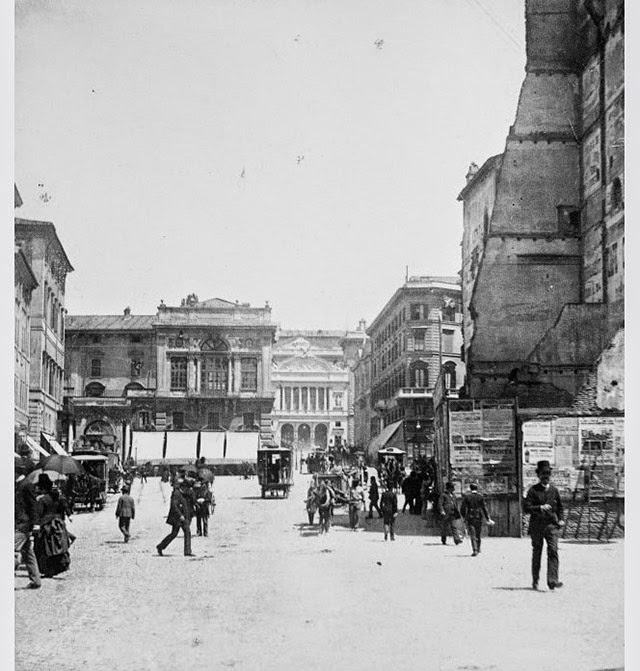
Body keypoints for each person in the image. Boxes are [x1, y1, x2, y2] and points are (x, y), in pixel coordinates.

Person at [523, 460, 564, 590]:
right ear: (538, 475)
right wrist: (540, 507)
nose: (546, 476)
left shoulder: (554, 491)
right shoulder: (533, 490)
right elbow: (526, 508)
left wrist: (561, 519)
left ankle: (552, 580)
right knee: (537, 553)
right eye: (543, 474)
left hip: (551, 526)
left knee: (553, 551)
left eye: (548, 474)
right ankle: (535, 580)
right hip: (537, 526)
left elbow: (560, 508)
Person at [34, 474, 73, 578]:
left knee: (46, 548)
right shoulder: (58, 498)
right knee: (58, 545)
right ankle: (59, 566)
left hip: (47, 526)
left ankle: (48, 570)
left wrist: (36, 526)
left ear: (42, 487)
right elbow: (64, 507)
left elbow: (38, 514)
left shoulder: (42, 500)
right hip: (58, 524)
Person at [14, 463, 42, 589]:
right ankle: (36, 580)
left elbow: (33, 506)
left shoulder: (26, 485)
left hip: (23, 525)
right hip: (22, 523)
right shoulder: (19, 485)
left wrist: (36, 524)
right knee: (28, 553)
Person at [156, 480, 195, 557]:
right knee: (174, 534)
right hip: (177, 518)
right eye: (187, 488)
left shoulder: (184, 494)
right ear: (183, 487)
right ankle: (160, 546)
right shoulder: (176, 494)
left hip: (183, 518)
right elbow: (174, 506)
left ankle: (187, 551)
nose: (188, 490)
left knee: (187, 532)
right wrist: (180, 515)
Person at [460, 483, 494, 556]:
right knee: (478, 534)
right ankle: (478, 548)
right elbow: (484, 508)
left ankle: (474, 550)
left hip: (470, 517)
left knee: (472, 534)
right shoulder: (480, 497)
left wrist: (464, 516)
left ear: (470, 488)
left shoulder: (467, 497)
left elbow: (462, 508)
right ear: (477, 488)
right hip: (479, 516)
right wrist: (487, 518)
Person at [438, 481, 463, 545]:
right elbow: (440, 504)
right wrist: (442, 511)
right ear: (449, 488)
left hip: (452, 513)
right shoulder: (443, 495)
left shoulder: (453, 495)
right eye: (452, 487)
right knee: (445, 527)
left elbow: (455, 504)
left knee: (454, 526)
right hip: (446, 513)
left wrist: (457, 511)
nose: (453, 488)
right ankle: (443, 539)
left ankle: (456, 539)